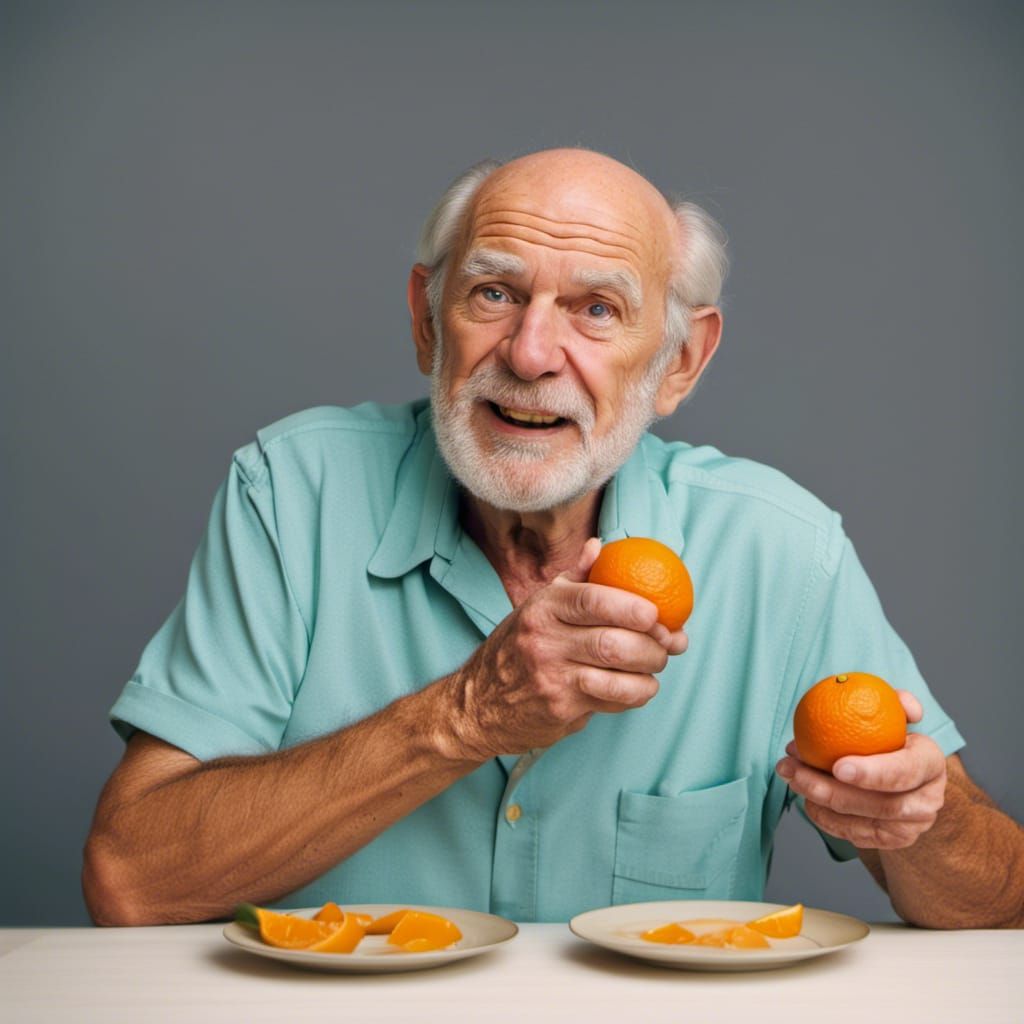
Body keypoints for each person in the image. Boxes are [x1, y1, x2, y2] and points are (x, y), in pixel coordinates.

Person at [82, 149, 1023, 928]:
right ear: (424, 320)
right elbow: (131, 882)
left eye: (597, 310)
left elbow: (1002, 910)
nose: (531, 354)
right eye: (493, 293)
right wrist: (461, 717)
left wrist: (923, 819)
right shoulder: (291, 495)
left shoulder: (780, 551)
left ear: (679, 361)